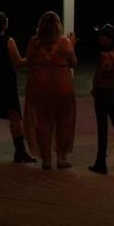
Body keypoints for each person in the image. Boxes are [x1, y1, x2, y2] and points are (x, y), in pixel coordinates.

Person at [0, 11, 37, 163]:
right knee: (14, 115)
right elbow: (18, 62)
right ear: (4, 24)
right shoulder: (8, 41)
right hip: (5, 83)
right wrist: (32, 57)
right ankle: (20, 152)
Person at [25, 11, 77, 169]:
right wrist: (72, 45)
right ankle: (61, 158)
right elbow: (73, 63)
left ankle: (46, 159)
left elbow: (29, 62)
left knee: (44, 123)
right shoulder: (65, 42)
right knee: (64, 122)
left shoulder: (34, 42)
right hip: (62, 87)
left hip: (41, 88)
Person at [87, 23, 114, 174]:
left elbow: (99, 77)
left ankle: (101, 163)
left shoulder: (104, 56)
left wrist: (94, 89)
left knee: (102, 128)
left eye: (103, 36)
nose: (100, 38)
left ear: (110, 39)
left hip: (103, 94)